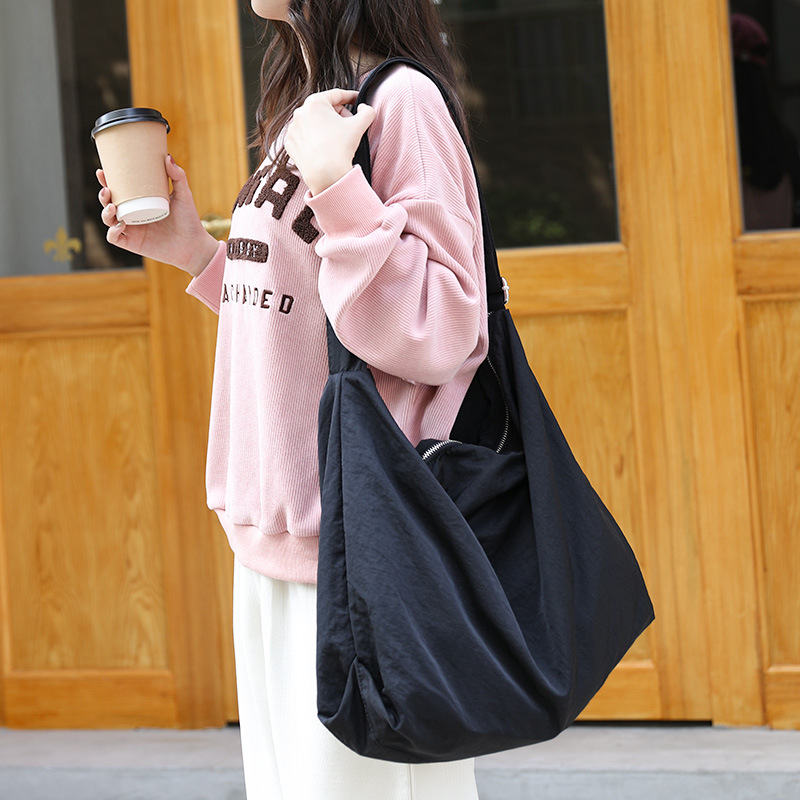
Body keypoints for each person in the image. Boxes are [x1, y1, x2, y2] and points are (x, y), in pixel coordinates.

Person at [97, 0, 487, 797]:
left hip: (357, 554)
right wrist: (196, 252)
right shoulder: (309, 109)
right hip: (277, 541)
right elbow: (308, 318)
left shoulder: (401, 100)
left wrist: (338, 184)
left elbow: (442, 326)